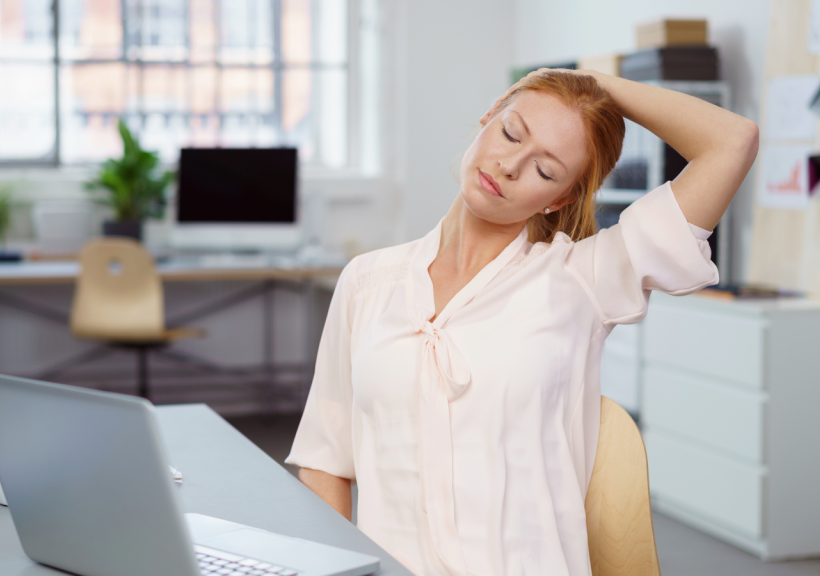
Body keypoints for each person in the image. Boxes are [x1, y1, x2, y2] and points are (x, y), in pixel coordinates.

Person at [285, 68, 758, 576]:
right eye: (511, 132)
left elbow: (733, 142)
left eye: (546, 170)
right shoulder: (367, 282)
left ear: (560, 199)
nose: (509, 165)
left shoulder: (583, 281)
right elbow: (325, 458)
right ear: (489, 115)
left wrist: (595, 83)